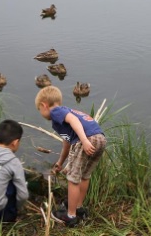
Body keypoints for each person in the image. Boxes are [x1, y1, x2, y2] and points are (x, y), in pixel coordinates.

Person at [35, 86, 107, 227]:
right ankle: (78, 207)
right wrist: (60, 162)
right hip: (100, 139)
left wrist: (85, 141)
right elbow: (67, 143)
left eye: (39, 109)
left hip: (87, 139)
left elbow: (74, 121)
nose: (41, 112)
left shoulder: (56, 111)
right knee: (85, 175)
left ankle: (71, 215)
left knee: (73, 178)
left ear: (44, 105)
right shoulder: (63, 115)